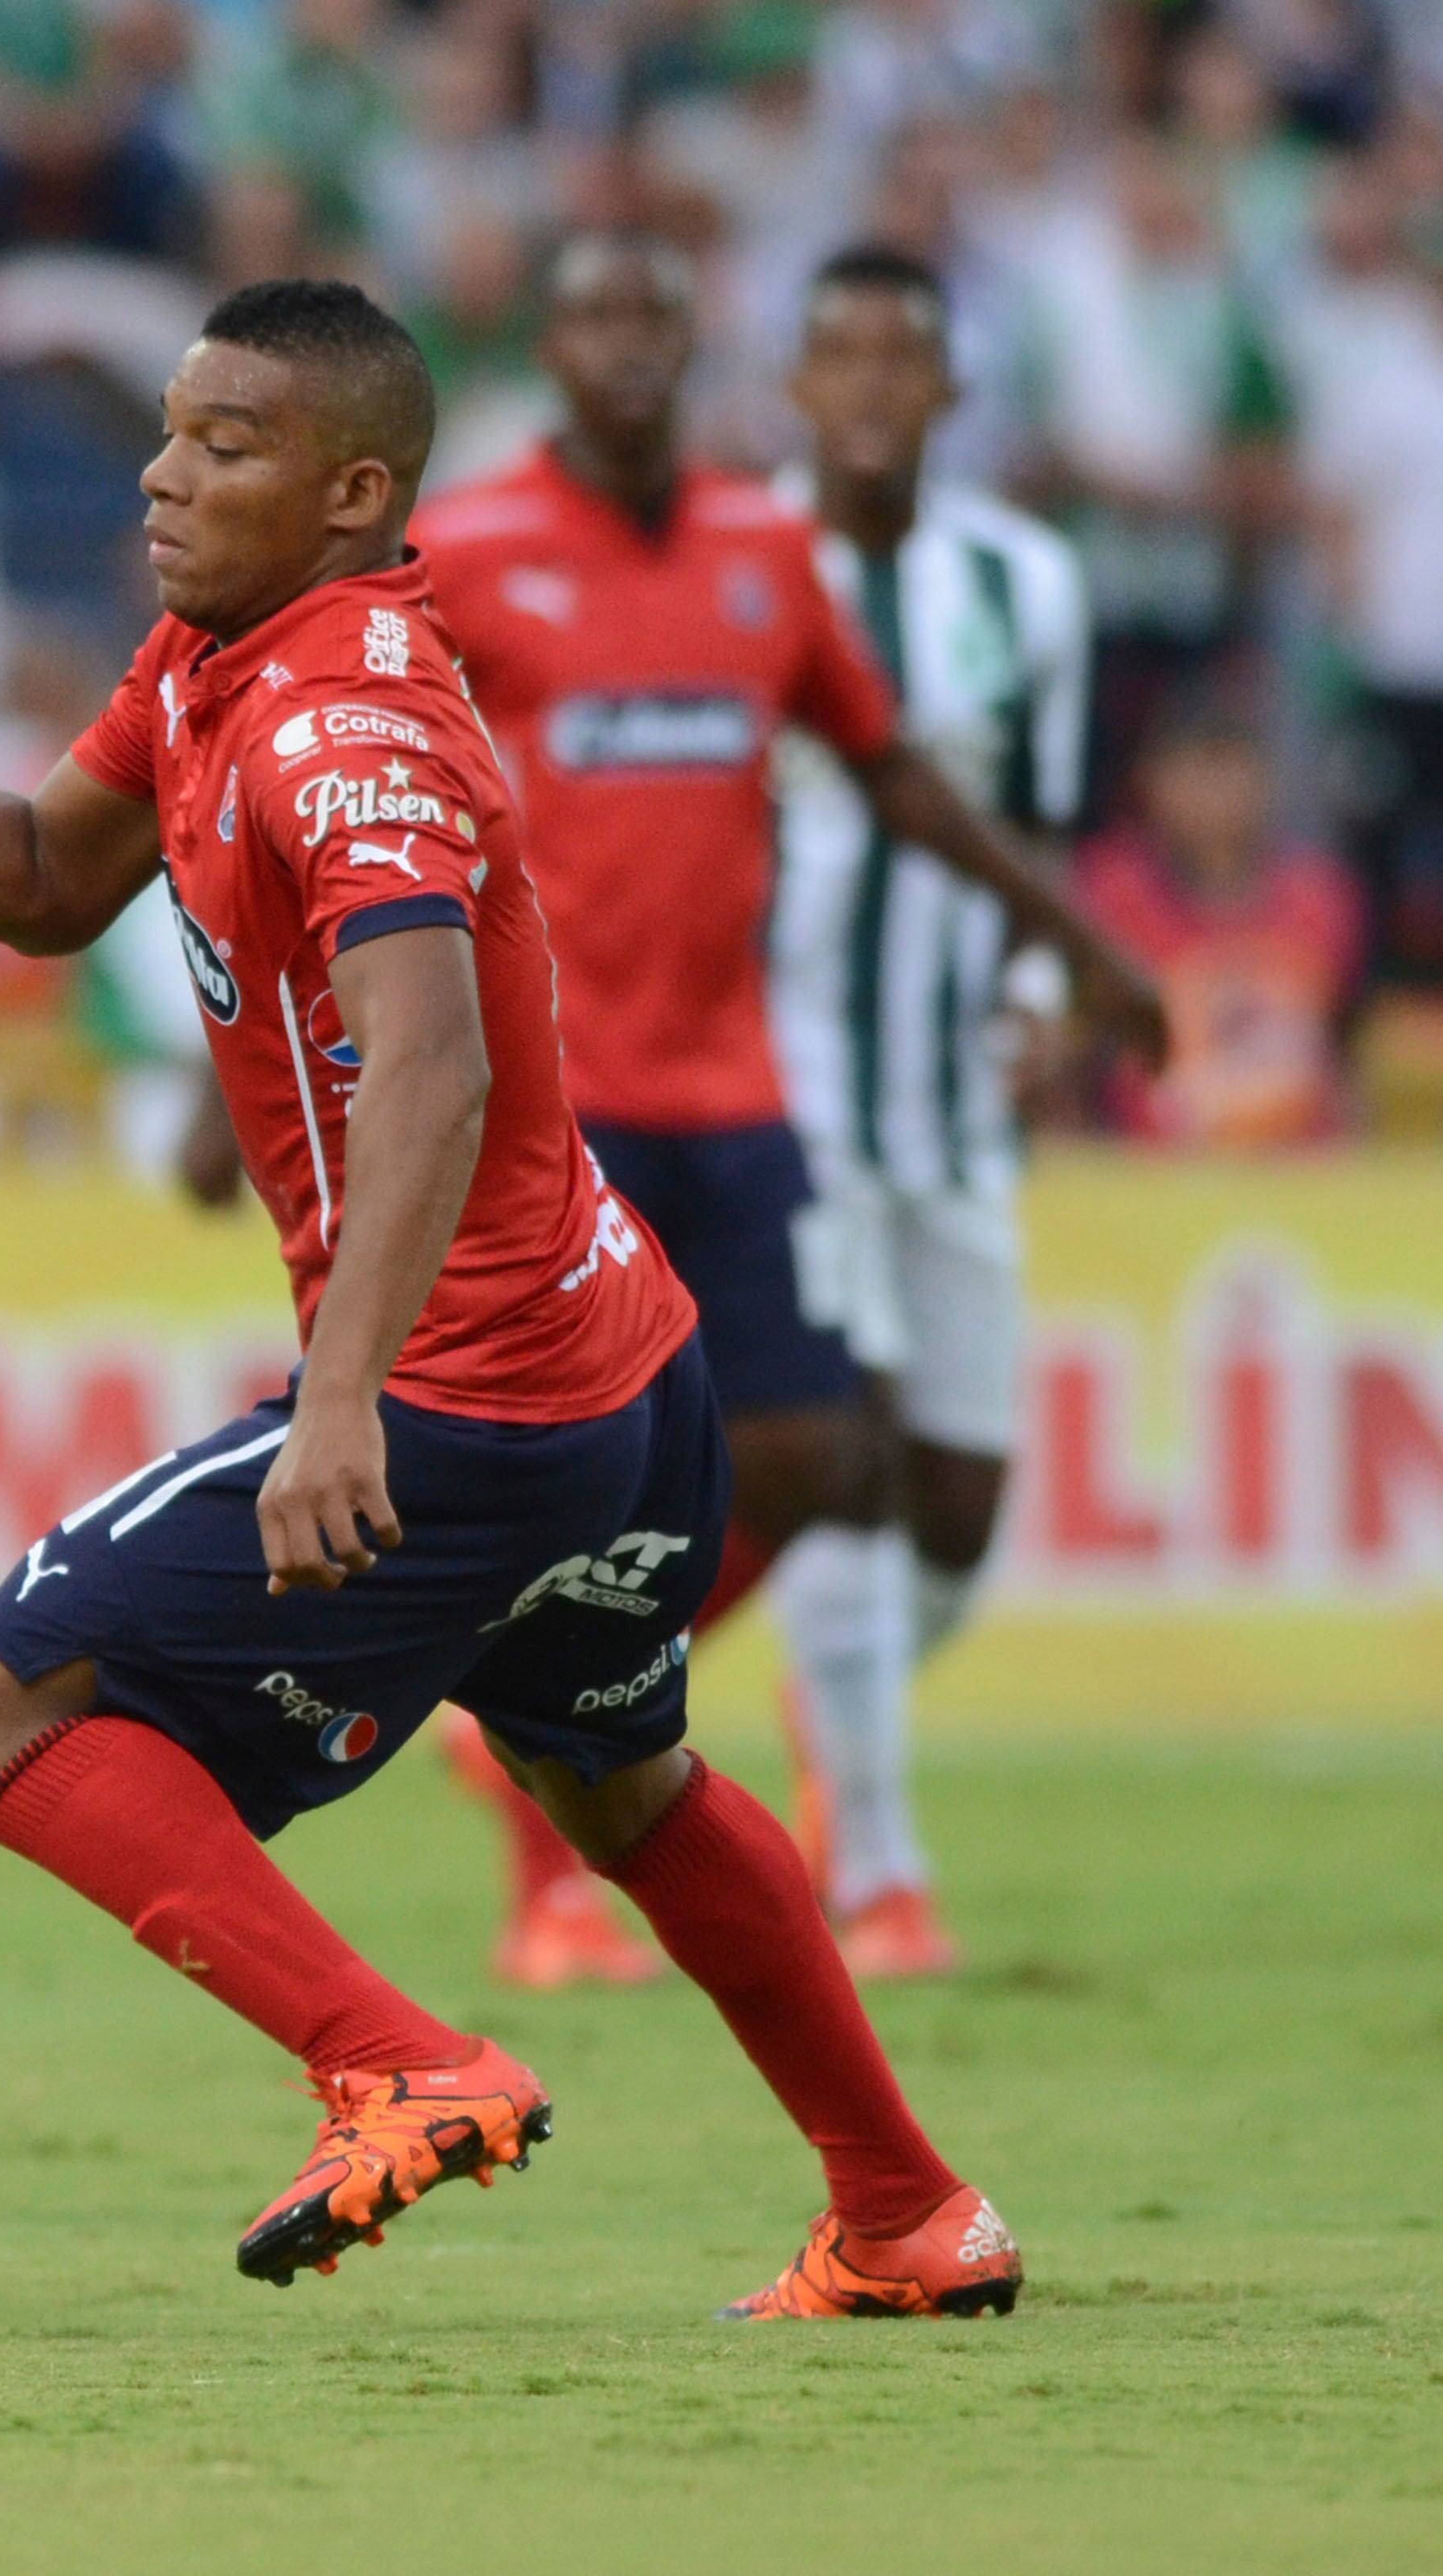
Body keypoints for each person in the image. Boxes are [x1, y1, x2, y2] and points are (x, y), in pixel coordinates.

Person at [0, 278, 1024, 2320]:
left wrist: (339, 1401)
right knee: (626, 1785)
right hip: (616, 1362)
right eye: (168, 427)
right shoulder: (216, 656)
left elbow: (433, 1063)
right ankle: (907, 2210)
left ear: (354, 491)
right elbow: (52, 877)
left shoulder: (348, 722)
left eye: (225, 444)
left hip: (466, 1401)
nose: (160, 471)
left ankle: (391, 2060)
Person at [407, 231, 1164, 1989]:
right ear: (548, 340)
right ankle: (565, 1874)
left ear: (692, 343)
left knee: (817, 1457)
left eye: (649, 314)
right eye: (586, 312)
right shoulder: (470, 552)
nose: (621, 343)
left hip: (740, 1089)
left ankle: (522, 1712)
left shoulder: (758, 554)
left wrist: (1076, 946)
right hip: (557, 1097)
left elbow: (891, 765)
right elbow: (381, 776)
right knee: (562, 1468)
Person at [761, 243, 1095, 1977]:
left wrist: (1042, 996)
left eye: (906, 356)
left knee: (956, 1515)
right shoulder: (739, 567)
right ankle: (877, 1872)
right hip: (786, 1091)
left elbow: (1039, 829)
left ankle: (826, 1727)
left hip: (956, 1104)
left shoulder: (1022, 582)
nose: (874, 385)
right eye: (842, 355)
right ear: (796, 383)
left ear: (950, 391)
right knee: (849, 1466)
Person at [1078, 705, 1365, 1147]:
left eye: (1230, 769)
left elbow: (1345, 1051)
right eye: (1197, 773)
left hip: (1302, 1178)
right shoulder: (1110, 893)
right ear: (1151, 782)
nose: (1215, 795)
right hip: (1151, 1177)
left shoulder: (1323, 897)